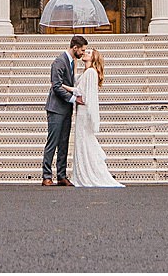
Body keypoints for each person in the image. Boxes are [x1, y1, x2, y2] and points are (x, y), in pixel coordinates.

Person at [67, 47, 123, 188]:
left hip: (84, 113)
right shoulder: (87, 72)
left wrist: (61, 86)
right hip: (81, 112)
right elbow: (75, 80)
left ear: (93, 59)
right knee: (81, 141)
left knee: (84, 140)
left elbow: (79, 91)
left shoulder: (91, 72)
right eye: (86, 51)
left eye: (89, 53)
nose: (85, 53)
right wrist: (74, 61)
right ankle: (81, 172)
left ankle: (88, 173)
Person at [43, 35, 87, 186]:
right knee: (53, 142)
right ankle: (46, 175)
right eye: (82, 50)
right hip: (56, 109)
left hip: (66, 110)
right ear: (75, 48)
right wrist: (74, 99)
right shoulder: (59, 62)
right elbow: (56, 86)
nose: (83, 53)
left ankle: (61, 175)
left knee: (64, 143)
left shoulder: (72, 62)